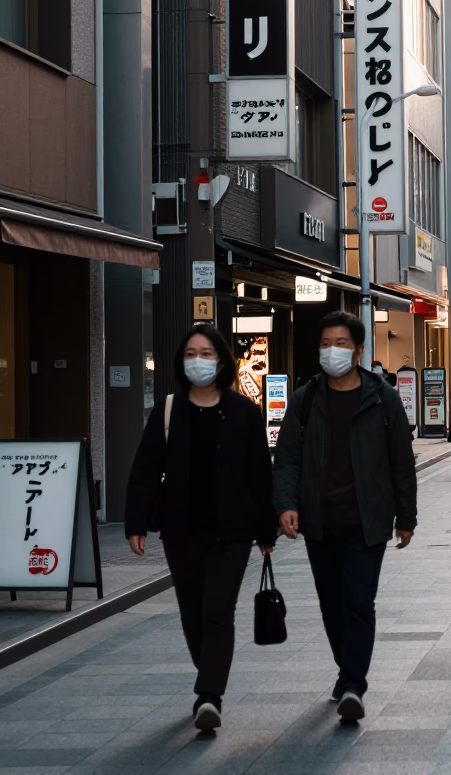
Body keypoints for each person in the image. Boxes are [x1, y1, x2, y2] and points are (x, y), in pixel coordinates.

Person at [125, 324, 276, 733]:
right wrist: (135, 521)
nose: (198, 361)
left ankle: (209, 695)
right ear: (180, 361)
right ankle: (209, 671)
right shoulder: (168, 410)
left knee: (216, 610)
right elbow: (144, 470)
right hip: (181, 530)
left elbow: (260, 474)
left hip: (233, 531)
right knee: (192, 612)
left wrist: (267, 530)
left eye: (206, 353)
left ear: (222, 360)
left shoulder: (244, 411)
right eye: (191, 353)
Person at [273, 311, 417, 725]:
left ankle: (354, 684)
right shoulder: (306, 399)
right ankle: (347, 669)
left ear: (357, 350)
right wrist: (286, 504)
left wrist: (405, 516)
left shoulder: (382, 397)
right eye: (324, 343)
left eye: (340, 344)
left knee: (358, 601)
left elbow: (401, 462)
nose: (331, 351)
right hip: (320, 521)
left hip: (367, 521)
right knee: (331, 605)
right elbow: (287, 459)